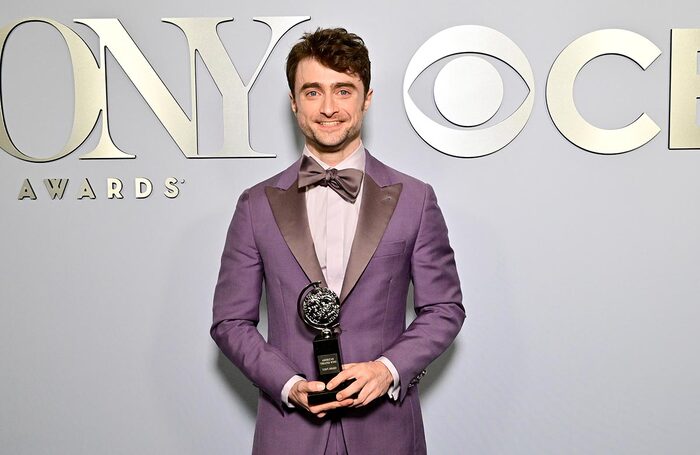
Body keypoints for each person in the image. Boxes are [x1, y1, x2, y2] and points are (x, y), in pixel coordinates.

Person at [211, 27, 465, 455]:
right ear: (293, 103)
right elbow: (230, 322)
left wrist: (387, 369)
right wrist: (288, 385)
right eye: (312, 92)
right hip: (289, 434)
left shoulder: (415, 199)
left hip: (386, 432)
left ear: (366, 99)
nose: (328, 108)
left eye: (343, 90)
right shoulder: (255, 204)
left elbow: (444, 308)